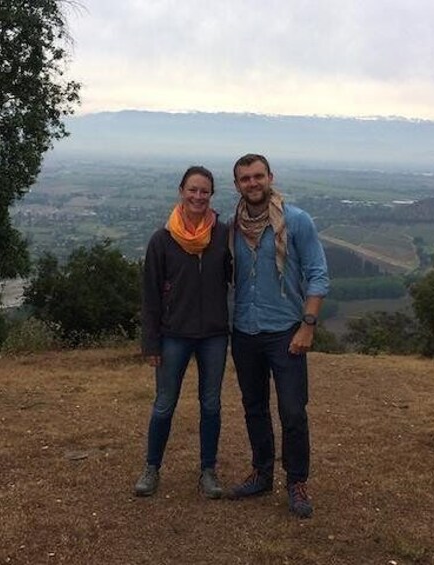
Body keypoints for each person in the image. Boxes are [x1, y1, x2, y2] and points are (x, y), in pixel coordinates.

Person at [227, 153, 329, 518]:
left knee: (292, 411)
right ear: (236, 185)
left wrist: (308, 325)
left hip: (286, 331)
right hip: (244, 330)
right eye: (245, 179)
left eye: (258, 176)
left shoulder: (297, 221)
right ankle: (262, 472)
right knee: (253, 406)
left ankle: (297, 481)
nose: (252, 183)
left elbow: (318, 274)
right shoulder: (232, 226)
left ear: (270, 177)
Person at [135, 165, 231, 499]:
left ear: (211, 195)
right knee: (163, 404)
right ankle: (152, 468)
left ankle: (208, 470)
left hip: (215, 334)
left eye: (204, 191)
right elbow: (150, 295)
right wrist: (151, 342)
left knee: (211, 404)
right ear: (181, 191)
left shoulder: (223, 235)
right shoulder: (162, 239)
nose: (198, 196)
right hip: (173, 333)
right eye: (193, 189)